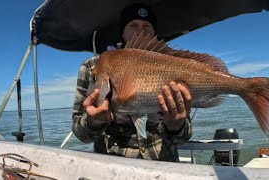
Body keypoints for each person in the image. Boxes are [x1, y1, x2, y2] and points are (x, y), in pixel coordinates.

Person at [72, 3, 193, 162]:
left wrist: (176, 126)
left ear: (154, 32)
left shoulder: (173, 64)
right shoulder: (93, 67)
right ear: (122, 32)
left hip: (163, 162)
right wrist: (93, 121)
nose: (141, 30)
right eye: (133, 25)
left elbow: (181, 139)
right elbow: (81, 134)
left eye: (147, 26)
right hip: (113, 164)